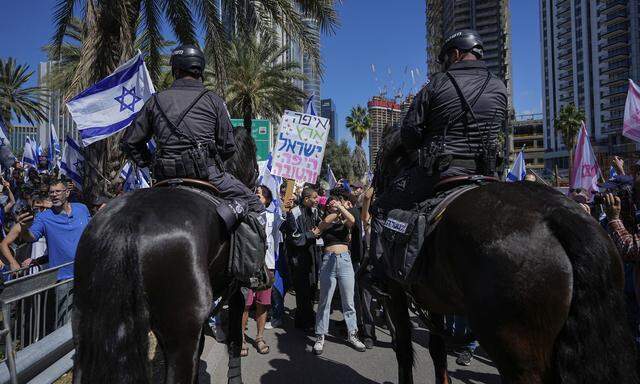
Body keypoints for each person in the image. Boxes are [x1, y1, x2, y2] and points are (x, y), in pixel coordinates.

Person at [368, 29, 508, 286]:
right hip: (489, 175)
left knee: (379, 208)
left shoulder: (437, 85)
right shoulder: (499, 87)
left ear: (455, 54)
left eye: (445, 59)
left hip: (442, 175)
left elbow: (410, 135)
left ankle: (381, 277)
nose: (443, 65)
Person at [121, 44, 263, 216]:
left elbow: (130, 141)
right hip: (208, 176)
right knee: (255, 204)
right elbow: (228, 146)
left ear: (176, 68)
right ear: (200, 69)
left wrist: (149, 161)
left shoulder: (155, 101)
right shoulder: (213, 100)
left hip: (164, 177)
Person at [19, 179, 91, 326]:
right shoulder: (44, 217)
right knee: (65, 324)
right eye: (51, 192)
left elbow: (93, 231)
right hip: (63, 279)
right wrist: (24, 229)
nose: (54, 195)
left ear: (67, 193)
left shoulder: (82, 209)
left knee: (90, 319)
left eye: (58, 191)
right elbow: (31, 237)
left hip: (88, 274)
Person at [313, 195, 366, 355]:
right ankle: (320, 336)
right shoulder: (325, 220)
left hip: (345, 261)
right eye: (330, 202)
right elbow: (323, 225)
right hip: (328, 260)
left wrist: (341, 207)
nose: (332, 204)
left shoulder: (345, 221)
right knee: (325, 301)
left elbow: (352, 220)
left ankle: (352, 334)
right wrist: (337, 209)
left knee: (348, 302)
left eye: (335, 201)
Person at [240, 186, 277, 356]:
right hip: (248, 267)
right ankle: (240, 339)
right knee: (245, 305)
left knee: (262, 304)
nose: (256, 196)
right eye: (254, 194)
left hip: (266, 267)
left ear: (267, 200)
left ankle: (259, 337)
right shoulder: (244, 215)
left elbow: (279, 235)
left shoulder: (273, 217)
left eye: (259, 195)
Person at [283, 187, 321, 331]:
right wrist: (311, 234)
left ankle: (306, 320)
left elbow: (319, 227)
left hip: (313, 256)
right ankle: (304, 323)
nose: (317, 200)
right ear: (306, 199)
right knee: (302, 292)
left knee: (312, 290)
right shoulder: (294, 213)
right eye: (315, 197)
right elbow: (294, 238)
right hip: (299, 259)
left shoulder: (315, 211)